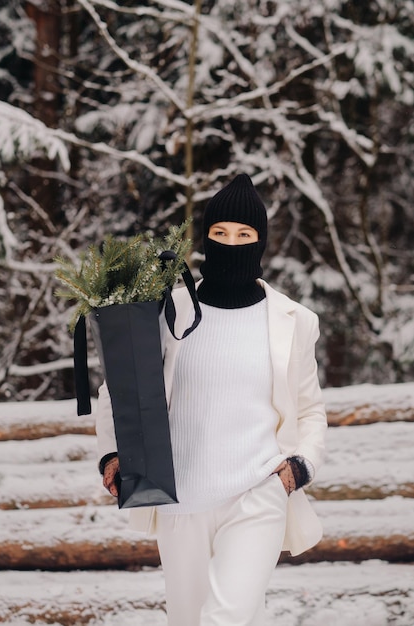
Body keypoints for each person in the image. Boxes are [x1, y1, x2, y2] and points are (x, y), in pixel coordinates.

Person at [96, 173, 327, 626]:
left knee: (227, 617)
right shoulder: (168, 309)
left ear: (261, 242)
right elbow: (121, 389)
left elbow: (309, 408)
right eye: (220, 233)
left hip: (259, 492)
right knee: (191, 619)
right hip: (179, 497)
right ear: (206, 238)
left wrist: (297, 469)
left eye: (244, 235)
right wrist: (111, 454)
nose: (231, 243)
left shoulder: (294, 321)